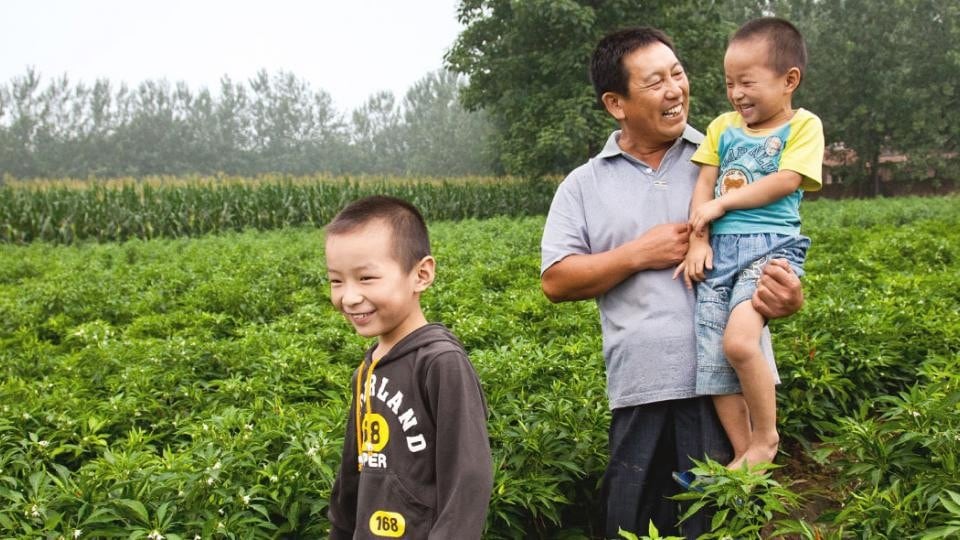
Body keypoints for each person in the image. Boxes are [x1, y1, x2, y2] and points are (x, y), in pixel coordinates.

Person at [540, 27, 803, 538]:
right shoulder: (583, 185)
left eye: (678, 74)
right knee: (631, 525)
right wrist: (638, 254)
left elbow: (778, 238)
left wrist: (789, 296)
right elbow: (556, 279)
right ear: (616, 103)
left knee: (721, 524)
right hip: (643, 389)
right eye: (655, 81)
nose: (675, 90)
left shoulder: (731, 151)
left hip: (728, 391)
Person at [676, 17, 823, 471]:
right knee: (712, 363)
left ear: (789, 80)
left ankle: (766, 438)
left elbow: (785, 181)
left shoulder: (802, 126)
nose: (737, 94)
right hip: (718, 253)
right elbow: (704, 184)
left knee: (740, 344)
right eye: (729, 83)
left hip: (768, 247)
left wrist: (723, 206)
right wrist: (696, 241)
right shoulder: (722, 127)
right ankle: (745, 457)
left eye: (747, 83)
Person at [326, 195, 493, 539]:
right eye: (336, 281)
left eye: (366, 278)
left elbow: (468, 478)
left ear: (421, 274)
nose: (349, 297)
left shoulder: (440, 363)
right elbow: (351, 477)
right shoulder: (366, 371)